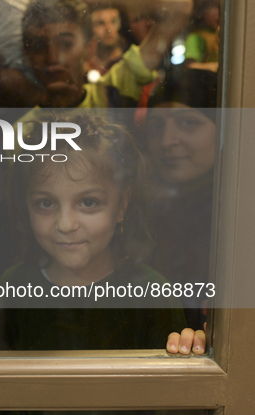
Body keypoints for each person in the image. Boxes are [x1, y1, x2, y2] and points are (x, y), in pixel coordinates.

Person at [0, 111, 187, 351]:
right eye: (46, 203)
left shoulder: (153, 294)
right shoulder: (15, 284)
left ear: (122, 204)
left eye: (88, 202)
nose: (66, 225)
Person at [143, 68, 218, 353]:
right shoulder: (138, 213)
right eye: (157, 126)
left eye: (188, 123)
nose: (167, 141)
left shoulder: (236, 217)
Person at [19, 0, 192, 108]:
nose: (53, 58)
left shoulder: (111, 92)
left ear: (89, 48)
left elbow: (180, 7)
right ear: (26, 53)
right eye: (38, 46)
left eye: (66, 44)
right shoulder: (19, 130)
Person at [84, 4, 128, 76]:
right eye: (100, 23)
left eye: (113, 21)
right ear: (90, 28)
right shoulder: (85, 66)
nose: (108, 29)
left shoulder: (130, 61)